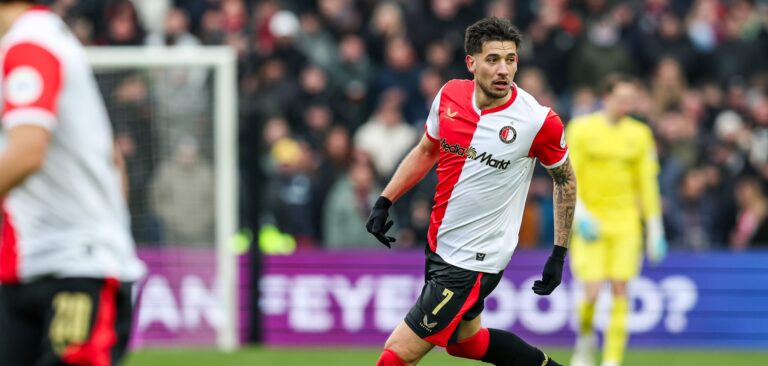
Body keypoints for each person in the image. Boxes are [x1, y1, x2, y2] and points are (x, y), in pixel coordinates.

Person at [366, 17, 576, 366]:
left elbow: (565, 180)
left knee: (396, 355)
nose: (503, 69)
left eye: (510, 59)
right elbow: (426, 150)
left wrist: (558, 253)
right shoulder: (449, 95)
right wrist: (385, 200)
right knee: (467, 342)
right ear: (471, 62)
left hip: (473, 260)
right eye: (493, 59)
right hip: (440, 244)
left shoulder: (537, 121)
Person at [0, 2, 145, 365]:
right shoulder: (45, 39)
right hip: (32, 266)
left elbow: (28, 151)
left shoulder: (29, 46)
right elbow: (114, 159)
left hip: (75, 272)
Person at [566, 74, 667, 366]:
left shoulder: (639, 134)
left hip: (626, 223)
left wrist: (655, 228)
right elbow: (569, 177)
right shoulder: (582, 129)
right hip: (591, 222)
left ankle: (612, 359)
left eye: (631, 100)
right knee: (592, 293)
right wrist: (580, 216)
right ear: (606, 97)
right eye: (621, 98)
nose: (626, 105)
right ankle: (585, 340)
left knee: (621, 288)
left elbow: (647, 184)